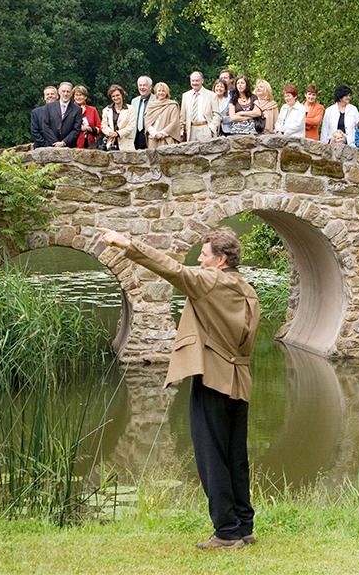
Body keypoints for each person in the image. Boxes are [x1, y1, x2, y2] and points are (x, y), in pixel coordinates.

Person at [97, 226, 260, 550]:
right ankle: (243, 526)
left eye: (204, 254)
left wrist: (127, 244)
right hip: (239, 382)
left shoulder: (210, 282)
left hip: (213, 379)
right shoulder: (245, 287)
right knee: (235, 457)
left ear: (221, 259)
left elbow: (170, 268)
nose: (199, 259)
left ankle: (226, 533)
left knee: (212, 459)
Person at [180, 71, 220, 141]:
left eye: (197, 81)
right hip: (191, 130)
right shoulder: (185, 96)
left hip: (205, 128)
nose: (195, 83)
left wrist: (211, 127)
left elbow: (217, 114)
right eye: (193, 81)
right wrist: (181, 131)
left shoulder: (211, 95)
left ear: (202, 81)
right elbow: (182, 116)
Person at [41, 81, 82, 148]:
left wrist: (63, 143)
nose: (65, 94)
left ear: (71, 93)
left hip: (69, 147)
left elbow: (76, 130)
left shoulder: (77, 110)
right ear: (59, 92)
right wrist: (55, 143)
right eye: (63, 91)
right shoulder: (48, 107)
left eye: (68, 92)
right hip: (51, 146)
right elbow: (45, 126)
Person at [145, 82, 181, 148]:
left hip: (167, 138)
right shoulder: (151, 105)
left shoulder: (172, 105)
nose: (161, 93)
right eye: (159, 91)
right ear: (156, 92)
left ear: (167, 92)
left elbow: (174, 122)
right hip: (153, 138)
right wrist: (154, 133)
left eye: (163, 91)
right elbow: (147, 122)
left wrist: (162, 133)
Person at [100, 84, 134, 151]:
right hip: (110, 144)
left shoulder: (130, 109)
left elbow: (131, 126)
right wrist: (111, 133)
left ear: (122, 95)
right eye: (113, 96)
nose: (116, 98)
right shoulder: (106, 110)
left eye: (117, 95)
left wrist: (118, 134)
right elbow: (103, 126)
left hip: (126, 144)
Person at [73, 85, 101, 149]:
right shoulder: (69, 110)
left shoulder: (92, 110)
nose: (78, 97)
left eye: (81, 95)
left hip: (90, 144)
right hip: (75, 144)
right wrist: (80, 114)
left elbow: (100, 128)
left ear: (85, 97)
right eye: (76, 95)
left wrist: (90, 129)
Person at [131, 75, 153, 150]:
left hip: (150, 136)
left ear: (150, 87)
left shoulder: (156, 100)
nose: (142, 87)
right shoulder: (134, 101)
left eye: (144, 85)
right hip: (136, 137)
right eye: (140, 85)